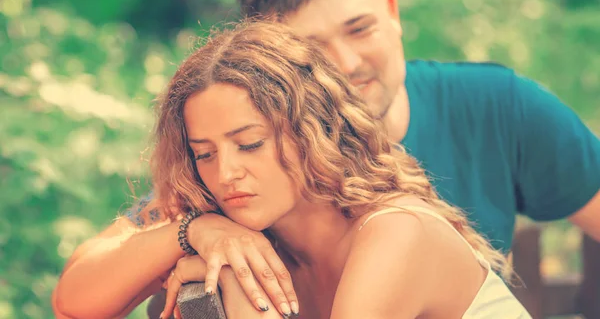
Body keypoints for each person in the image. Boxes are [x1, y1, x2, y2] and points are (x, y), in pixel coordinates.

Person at [68, 19, 535, 319]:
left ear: (312, 130)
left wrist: (227, 291)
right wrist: (195, 232)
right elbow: (75, 300)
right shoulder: (238, 226)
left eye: (249, 144)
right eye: (204, 154)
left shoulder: (397, 232)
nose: (226, 172)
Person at [234, 0, 600, 253]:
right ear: (271, 62)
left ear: (392, 14)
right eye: (313, 49)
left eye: (360, 29)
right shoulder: (247, 156)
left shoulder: (498, 104)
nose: (346, 63)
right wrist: (199, 230)